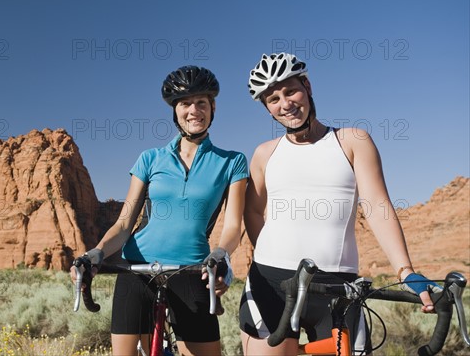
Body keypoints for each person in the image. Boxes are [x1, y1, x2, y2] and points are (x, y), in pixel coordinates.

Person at [239, 52, 441, 355]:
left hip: (337, 287)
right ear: (267, 108)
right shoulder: (264, 153)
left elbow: (376, 204)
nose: (285, 104)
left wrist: (405, 270)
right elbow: (253, 210)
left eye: (290, 90)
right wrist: (267, 251)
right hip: (270, 283)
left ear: (307, 86)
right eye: (273, 99)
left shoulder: (352, 140)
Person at [71, 65, 248, 356]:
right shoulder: (150, 159)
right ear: (175, 111)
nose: (193, 110)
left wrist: (220, 254)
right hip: (137, 269)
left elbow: (232, 227)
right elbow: (124, 223)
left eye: (201, 103)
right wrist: (97, 252)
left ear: (212, 107)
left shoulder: (232, 162)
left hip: (192, 270)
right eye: (185, 104)